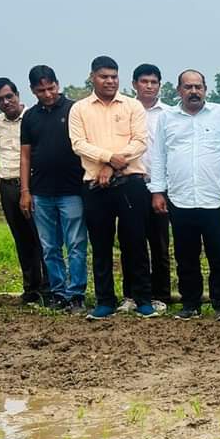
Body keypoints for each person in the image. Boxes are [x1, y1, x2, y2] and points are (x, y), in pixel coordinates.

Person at [149, 70, 220, 320]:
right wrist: (158, 191)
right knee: (185, 256)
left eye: (198, 87)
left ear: (205, 89)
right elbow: (158, 156)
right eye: (188, 87)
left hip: (214, 197)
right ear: (179, 91)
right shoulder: (167, 118)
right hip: (180, 198)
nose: (194, 92)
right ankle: (190, 304)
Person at [68, 55, 154, 320]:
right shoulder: (80, 109)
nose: (110, 81)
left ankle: (141, 298)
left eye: (114, 77)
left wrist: (112, 165)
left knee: (135, 242)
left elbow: (140, 142)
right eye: (104, 76)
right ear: (92, 77)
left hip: (130, 183)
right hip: (95, 186)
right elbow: (78, 144)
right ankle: (105, 300)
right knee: (101, 244)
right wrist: (107, 158)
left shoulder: (132, 106)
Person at [20, 65, 87, 313]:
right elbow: (25, 156)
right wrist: (25, 191)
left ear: (58, 84)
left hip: (72, 190)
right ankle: (58, 292)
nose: (47, 94)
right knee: (49, 247)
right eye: (41, 90)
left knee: (76, 244)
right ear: (32, 90)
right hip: (41, 192)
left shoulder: (74, 110)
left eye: (51, 88)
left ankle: (77, 293)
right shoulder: (30, 117)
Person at [0, 77, 47, 304]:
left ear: (18, 95)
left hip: (31, 185)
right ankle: (30, 289)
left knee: (41, 237)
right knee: (21, 239)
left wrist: (27, 189)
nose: (6, 102)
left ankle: (49, 287)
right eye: (0, 99)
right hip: (7, 185)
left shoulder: (33, 117)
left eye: (9, 96)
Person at [121, 63, 172, 313]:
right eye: (144, 81)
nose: (149, 86)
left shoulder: (170, 114)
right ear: (134, 84)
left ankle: (161, 295)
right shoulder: (124, 111)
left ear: (159, 85)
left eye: (153, 82)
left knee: (160, 243)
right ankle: (131, 294)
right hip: (131, 183)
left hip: (161, 185)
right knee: (131, 242)